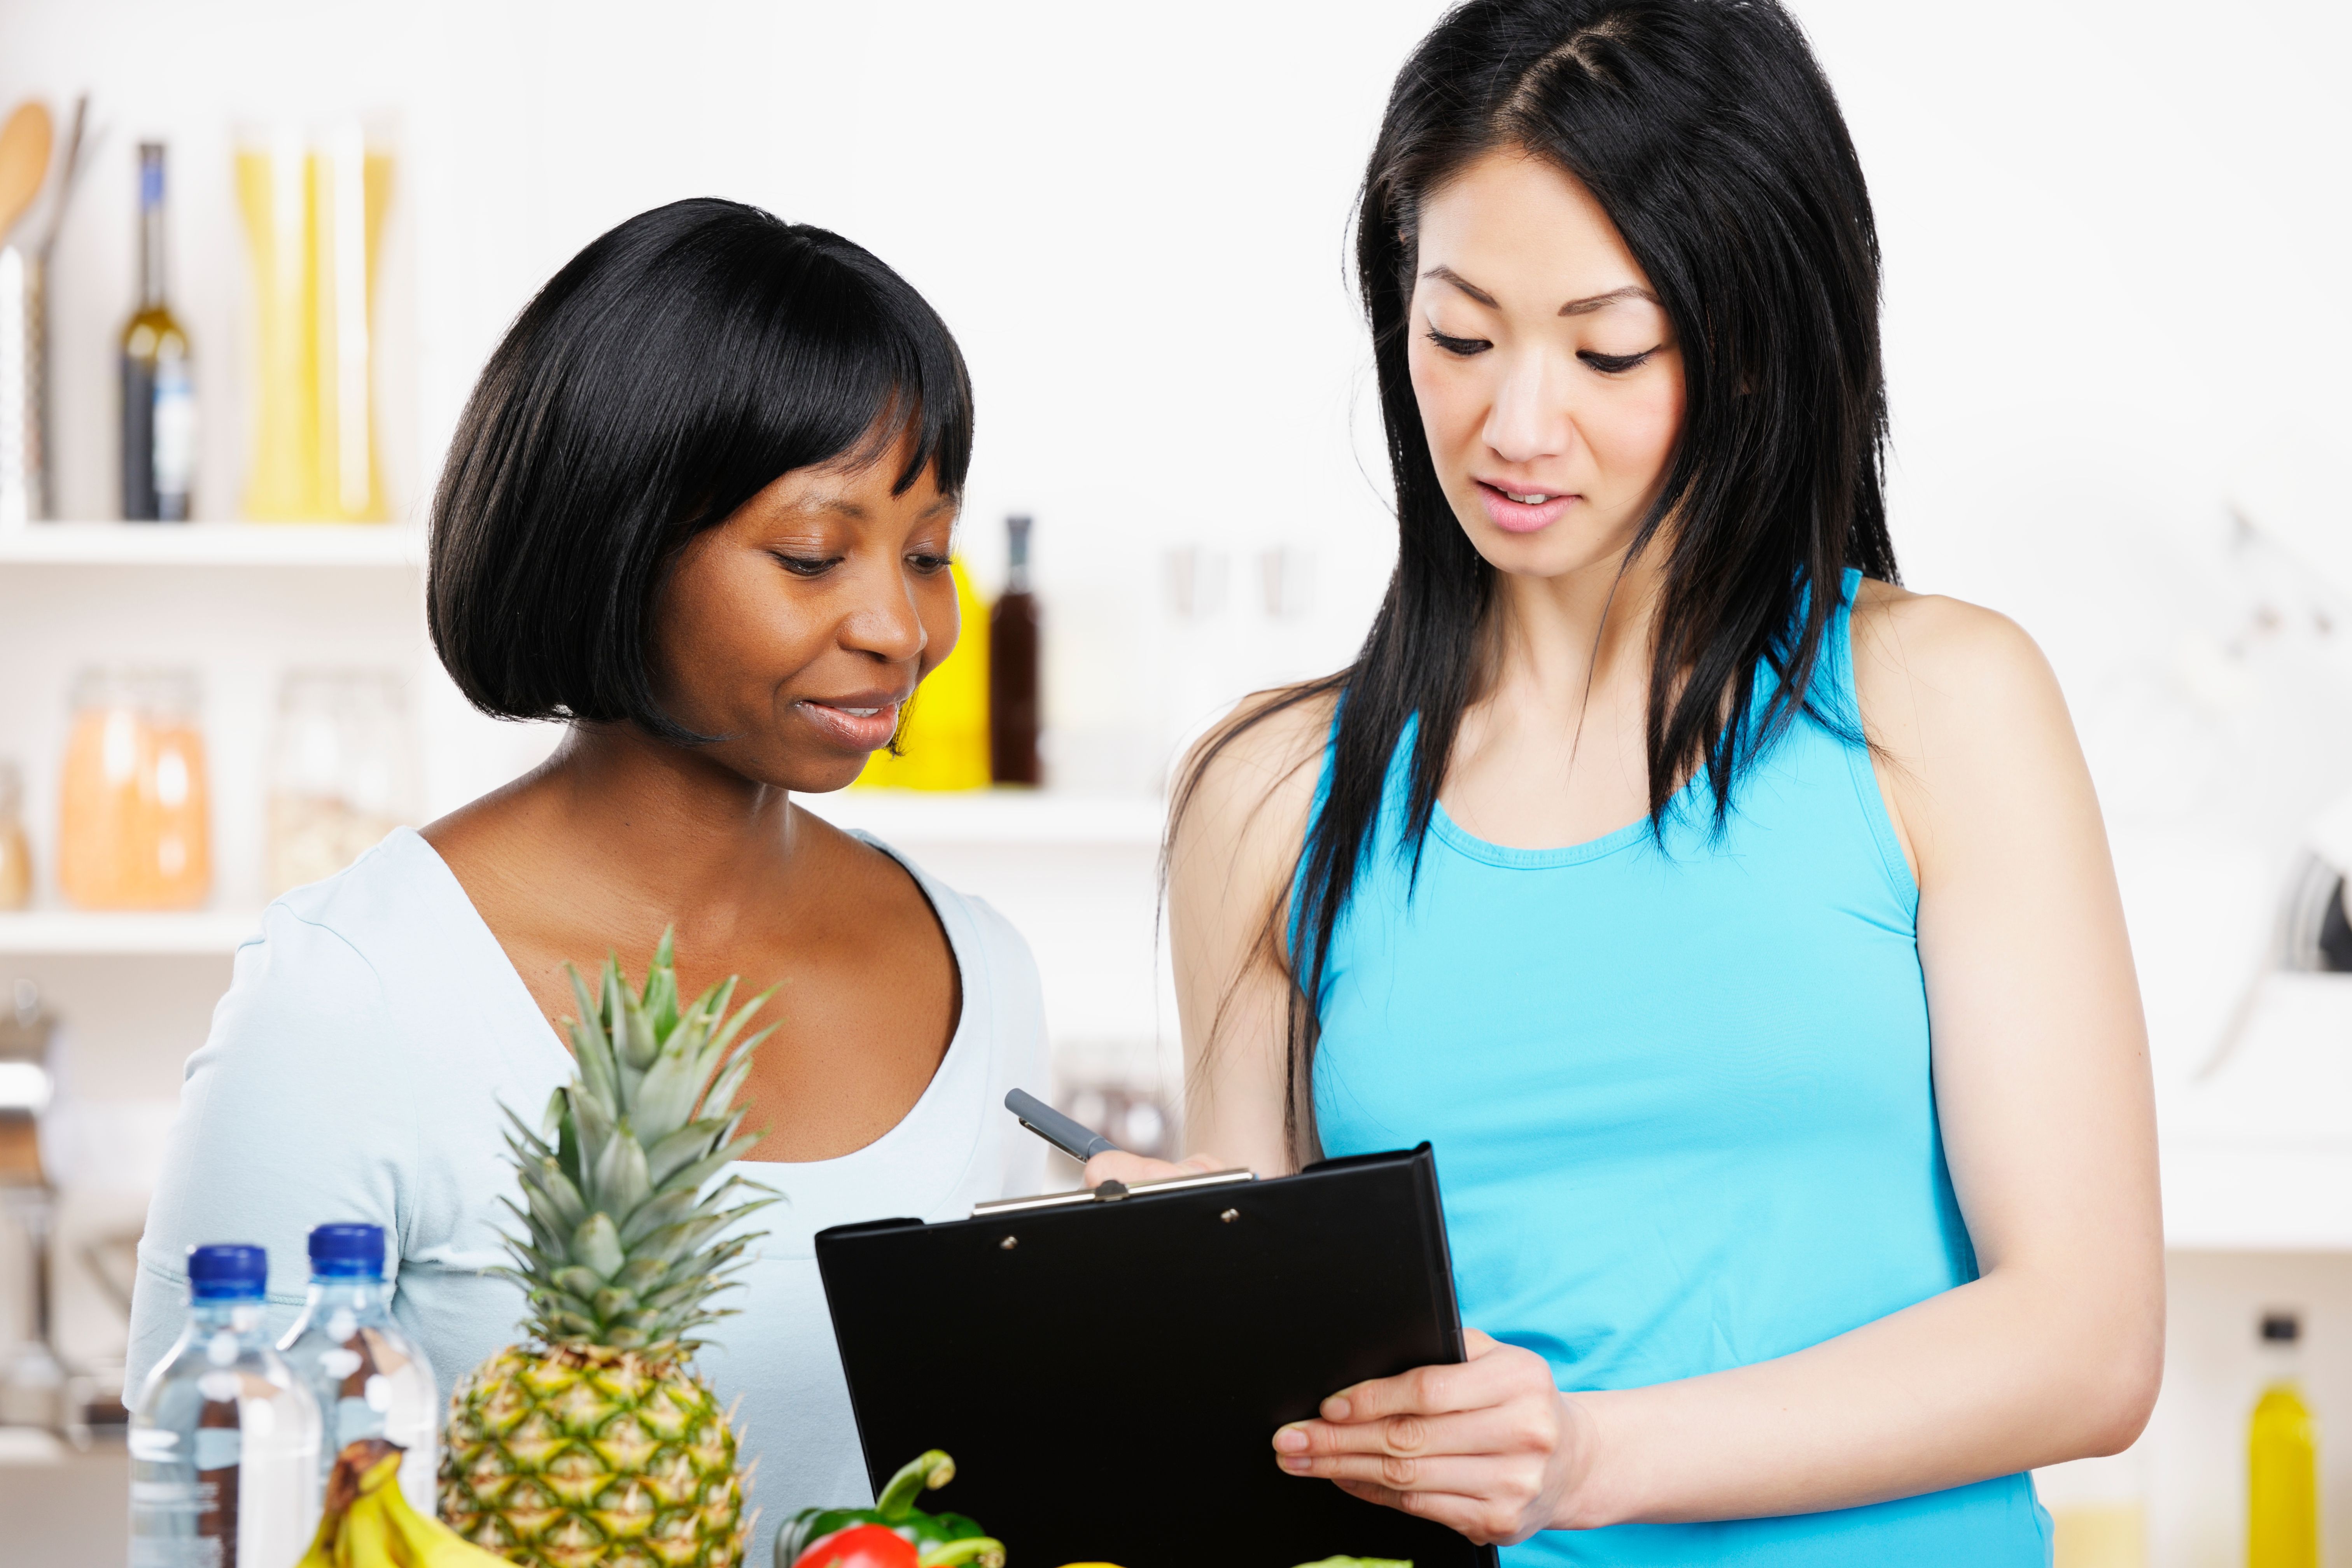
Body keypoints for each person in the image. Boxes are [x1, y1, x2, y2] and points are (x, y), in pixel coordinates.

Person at [1086, 1, 2161, 1561]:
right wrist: (1167, 1289)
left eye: (1607, 350)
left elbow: (2090, 1340)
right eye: (1459, 338)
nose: (1516, 426)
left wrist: (1593, 1460)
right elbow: (1283, 1451)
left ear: (1746, 349)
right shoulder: (1270, 793)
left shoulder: (1944, 705)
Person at [126, 200, 1046, 1563]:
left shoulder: (981, 972)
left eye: (926, 554)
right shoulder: (354, 992)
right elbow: (207, 1530)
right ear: (616, 538)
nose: (899, 628)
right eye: (812, 554)